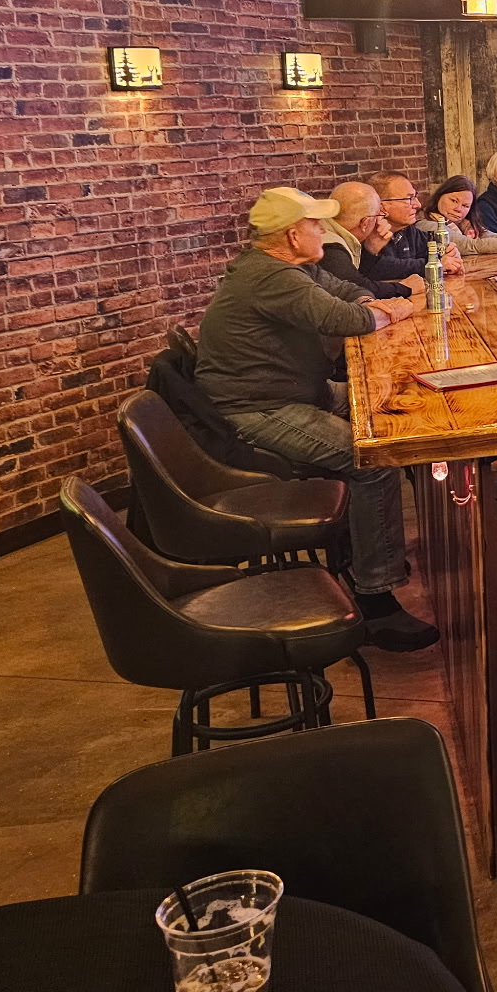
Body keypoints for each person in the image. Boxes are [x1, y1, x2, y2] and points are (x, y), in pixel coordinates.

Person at [194, 188, 437, 652]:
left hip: (298, 391)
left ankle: (366, 549)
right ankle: (376, 599)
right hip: (259, 407)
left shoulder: (293, 266)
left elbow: (350, 293)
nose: (324, 231)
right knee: (375, 459)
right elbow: (346, 318)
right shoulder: (270, 277)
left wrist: (373, 307)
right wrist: (401, 307)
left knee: (395, 403)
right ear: (292, 234)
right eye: (316, 225)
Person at [321, 181, 419, 298]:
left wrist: (370, 249)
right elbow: (356, 288)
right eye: (377, 216)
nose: (380, 221)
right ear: (365, 223)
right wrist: (405, 288)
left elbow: (360, 275)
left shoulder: (336, 233)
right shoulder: (329, 247)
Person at [367, 171, 460, 281]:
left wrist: (449, 253)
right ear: (382, 207)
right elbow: (380, 267)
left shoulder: (408, 231)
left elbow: (433, 250)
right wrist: (436, 264)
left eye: (415, 197)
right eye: (408, 199)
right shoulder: (367, 234)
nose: (418, 205)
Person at [426, 175, 497, 255]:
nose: (458, 209)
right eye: (454, 201)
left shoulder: (467, 225)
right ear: (439, 196)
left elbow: (490, 236)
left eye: (465, 206)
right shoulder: (427, 224)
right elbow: (469, 245)